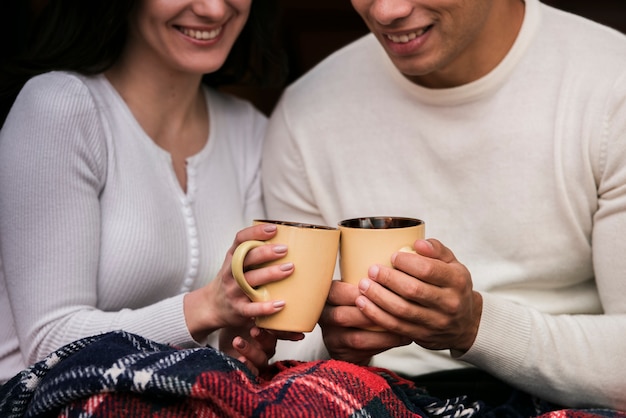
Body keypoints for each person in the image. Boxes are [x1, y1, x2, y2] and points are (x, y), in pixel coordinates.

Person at [263, 0, 626, 411]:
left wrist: (474, 325)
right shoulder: (306, 110)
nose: (386, 12)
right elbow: (286, 350)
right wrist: (341, 348)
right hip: (375, 395)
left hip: (563, 397)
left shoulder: (612, 84)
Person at [0, 0, 302, 384]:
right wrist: (206, 308)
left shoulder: (249, 131)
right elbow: (48, 343)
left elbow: (255, 327)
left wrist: (239, 346)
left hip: (186, 399)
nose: (213, 10)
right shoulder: (59, 106)